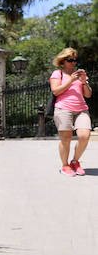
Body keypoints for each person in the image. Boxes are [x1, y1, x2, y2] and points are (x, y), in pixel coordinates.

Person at [49, 48, 92, 176]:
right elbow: (56, 91)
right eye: (70, 60)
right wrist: (71, 80)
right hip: (63, 109)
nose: (73, 62)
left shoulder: (80, 75)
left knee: (84, 135)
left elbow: (88, 95)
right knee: (66, 139)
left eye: (74, 60)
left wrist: (84, 82)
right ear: (63, 61)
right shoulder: (58, 74)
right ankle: (65, 165)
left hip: (81, 109)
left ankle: (75, 161)